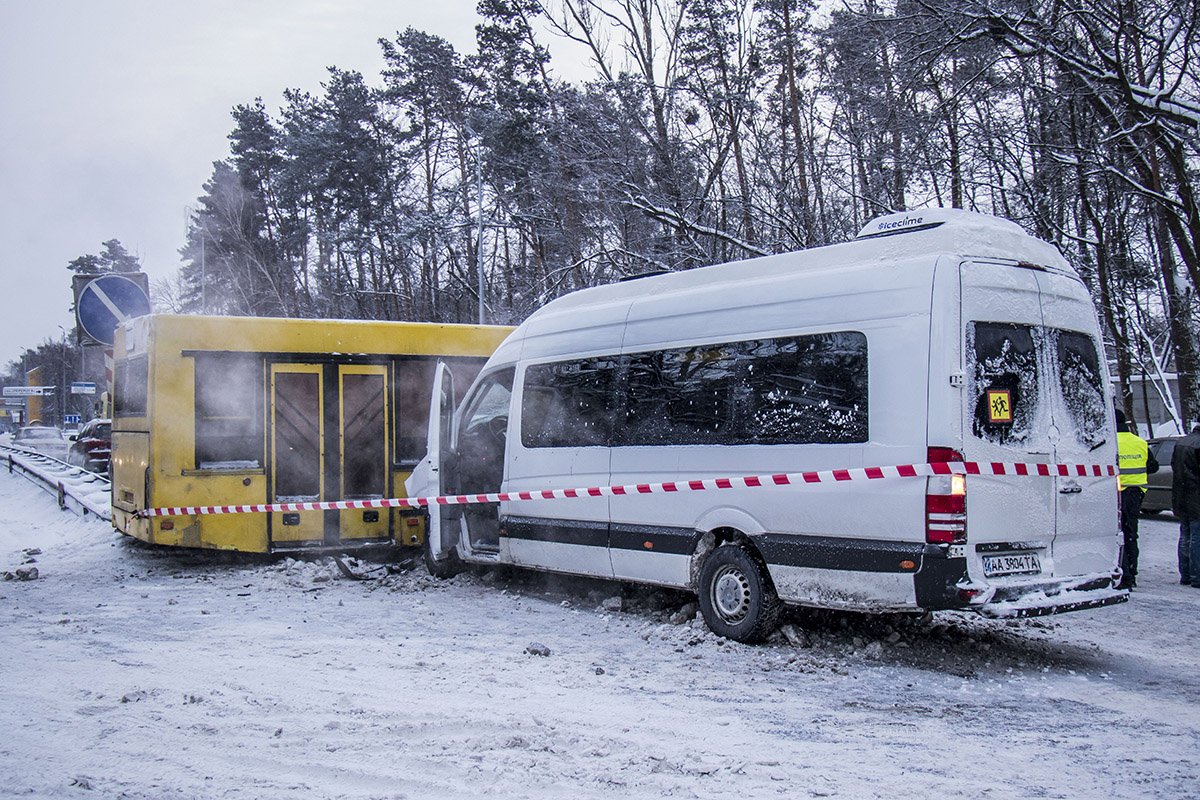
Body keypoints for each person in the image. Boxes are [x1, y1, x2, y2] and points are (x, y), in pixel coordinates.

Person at [1115, 409, 1157, 589]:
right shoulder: (1140, 442)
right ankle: (1132, 572)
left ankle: (1123, 573)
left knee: (1117, 533)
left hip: (1115, 492)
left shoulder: (1110, 443)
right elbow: (1153, 466)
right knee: (1131, 533)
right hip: (1136, 492)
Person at [1172, 411, 1200, 588]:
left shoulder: (1181, 442)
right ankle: (1197, 575)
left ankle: (1186, 574)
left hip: (1181, 494)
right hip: (1196, 495)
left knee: (1185, 535)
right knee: (1196, 536)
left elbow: (1175, 467)